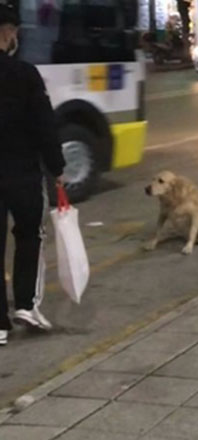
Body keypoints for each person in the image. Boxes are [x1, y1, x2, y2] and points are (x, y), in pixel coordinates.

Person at [0, 4, 66, 346]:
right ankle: (26, 305)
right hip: (21, 174)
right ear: (8, 32)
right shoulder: (25, 74)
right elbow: (45, 126)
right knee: (29, 236)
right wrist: (57, 168)